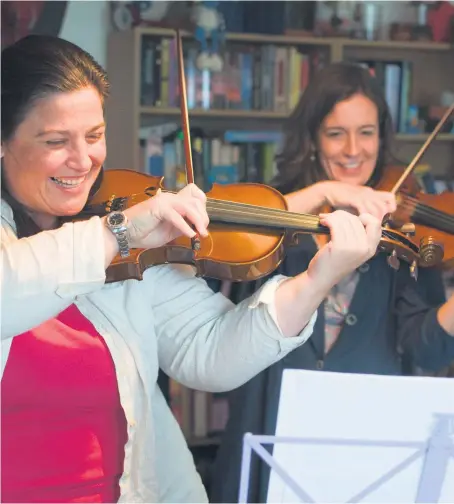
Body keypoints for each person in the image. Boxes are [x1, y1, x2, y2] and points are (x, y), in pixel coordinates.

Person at [0, 36, 386, 503]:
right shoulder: (112, 233)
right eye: (56, 141)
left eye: (95, 136)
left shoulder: (119, 234)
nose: (84, 162)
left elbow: (211, 352)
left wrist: (318, 279)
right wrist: (117, 233)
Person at [210, 62, 454, 503]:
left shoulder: (405, 231)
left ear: (382, 137)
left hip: (366, 443)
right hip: (268, 426)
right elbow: (210, 252)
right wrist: (320, 195)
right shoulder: (275, 214)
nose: (352, 150)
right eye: (335, 133)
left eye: (366, 132)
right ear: (313, 139)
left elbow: (425, 348)